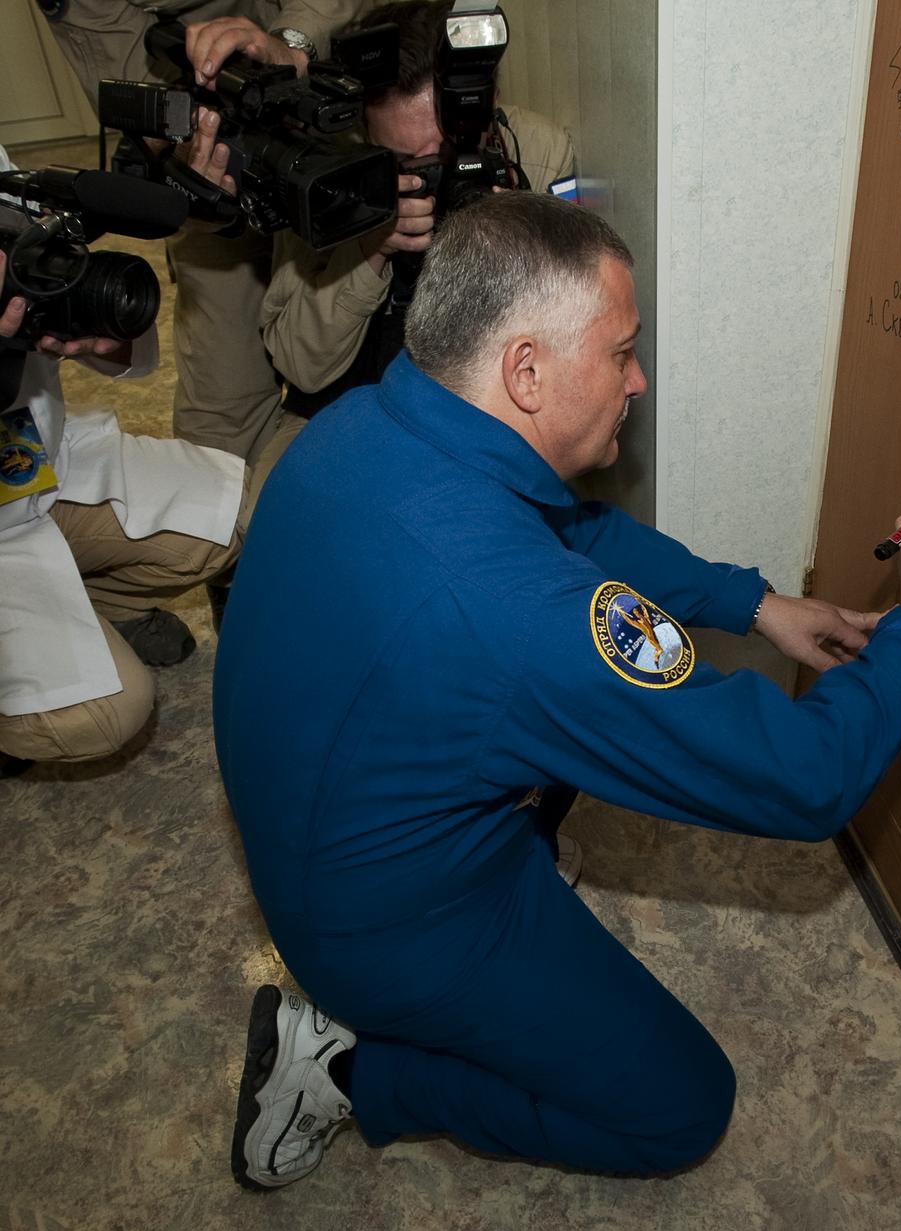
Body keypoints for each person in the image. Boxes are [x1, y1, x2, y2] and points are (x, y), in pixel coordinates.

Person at [212, 192, 901, 1191]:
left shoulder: (367, 419)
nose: (638, 378)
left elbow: (571, 529)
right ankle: (352, 1074)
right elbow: (802, 780)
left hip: (334, 821)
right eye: (620, 351)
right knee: (677, 1109)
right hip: (383, 929)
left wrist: (753, 604)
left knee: (542, 705)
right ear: (525, 371)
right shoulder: (509, 614)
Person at [251, 0, 576, 499]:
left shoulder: (535, 149)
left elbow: (574, 347)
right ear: (364, 134)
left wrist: (523, 246)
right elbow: (302, 368)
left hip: (488, 413)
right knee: (274, 512)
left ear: (487, 105)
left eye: (444, 154)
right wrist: (366, 251)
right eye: (405, 161)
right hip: (358, 410)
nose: (431, 176)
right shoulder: (329, 174)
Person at [38, 1, 362, 462]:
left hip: (333, 79)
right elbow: (123, 65)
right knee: (220, 421)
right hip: (203, 141)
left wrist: (294, 44)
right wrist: (186, 143)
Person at [0, 165, 246, 773]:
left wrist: (93, 328)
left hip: (37, 464)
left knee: (235, 513)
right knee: (107, 711)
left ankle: (95, 605)